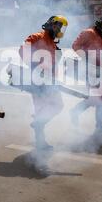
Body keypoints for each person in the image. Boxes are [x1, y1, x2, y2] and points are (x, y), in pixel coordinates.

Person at [19, 15, 68, 150]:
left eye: (60, 27)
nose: (59, 29)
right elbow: (23, 50)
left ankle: (38, 124)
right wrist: (34, 67)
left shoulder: (53, 43)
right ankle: (40, 142)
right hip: (37, 81)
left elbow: (52, 64)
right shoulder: (37, 37)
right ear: (50, 24)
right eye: (57, 26)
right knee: (41, 108)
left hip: (50, 82)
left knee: (58, 105)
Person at [70, 14, 102, 134]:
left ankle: (100, 123)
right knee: (94, 98)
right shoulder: (89, 33)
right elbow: (75, 45)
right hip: (90, 71)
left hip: (101, 71)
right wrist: (85, 58)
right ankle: (75, 111)